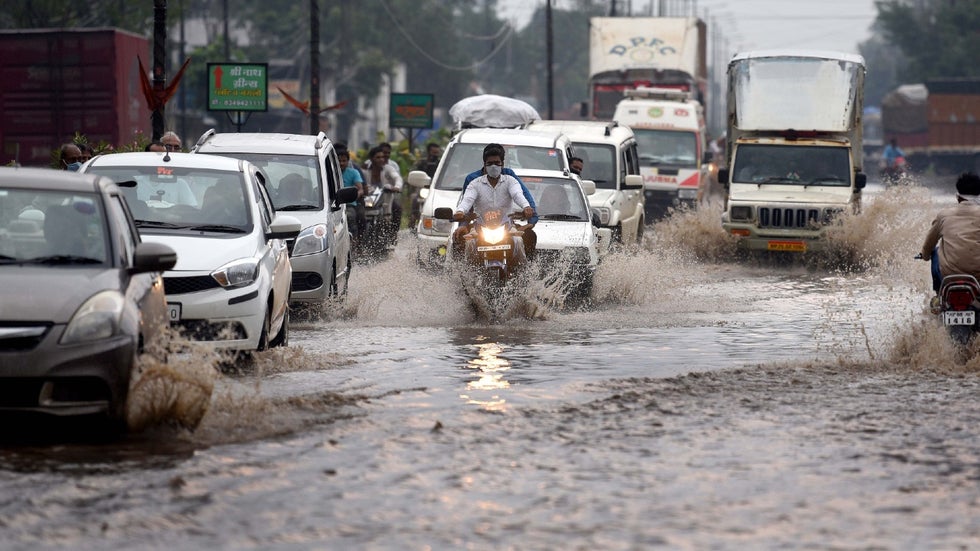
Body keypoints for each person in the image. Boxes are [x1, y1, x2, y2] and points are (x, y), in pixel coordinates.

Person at [452, 143, 535, 266]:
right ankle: (463, 274)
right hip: (480, 226)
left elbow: (519, 195)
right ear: (484, 164)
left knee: (520, 239)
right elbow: (467, 201)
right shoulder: (475, 182)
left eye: (497, 163)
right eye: (489, 163)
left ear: (502, 163)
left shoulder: (510, 179)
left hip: (506, 226)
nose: (493, 166)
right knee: (465, 241)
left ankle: (525, 274)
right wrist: (460, 213)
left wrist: (527, 208)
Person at [920, 172, 980, 307]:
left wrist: (924, 255)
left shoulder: (944, 215)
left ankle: (938, 295)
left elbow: (928, 245)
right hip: (978, 275)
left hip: (949, 275)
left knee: (935, 251)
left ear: (958, 197)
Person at [338, 147, 366, 239]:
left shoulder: (354, 172)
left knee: (350, 217)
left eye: (344, 161)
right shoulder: (329, 172)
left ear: (348, 161)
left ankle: (355, 241)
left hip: (349, 204)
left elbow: (360, 189)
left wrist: (353, 196)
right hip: (333, 205)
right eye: (339, 160)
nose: (341, 163)